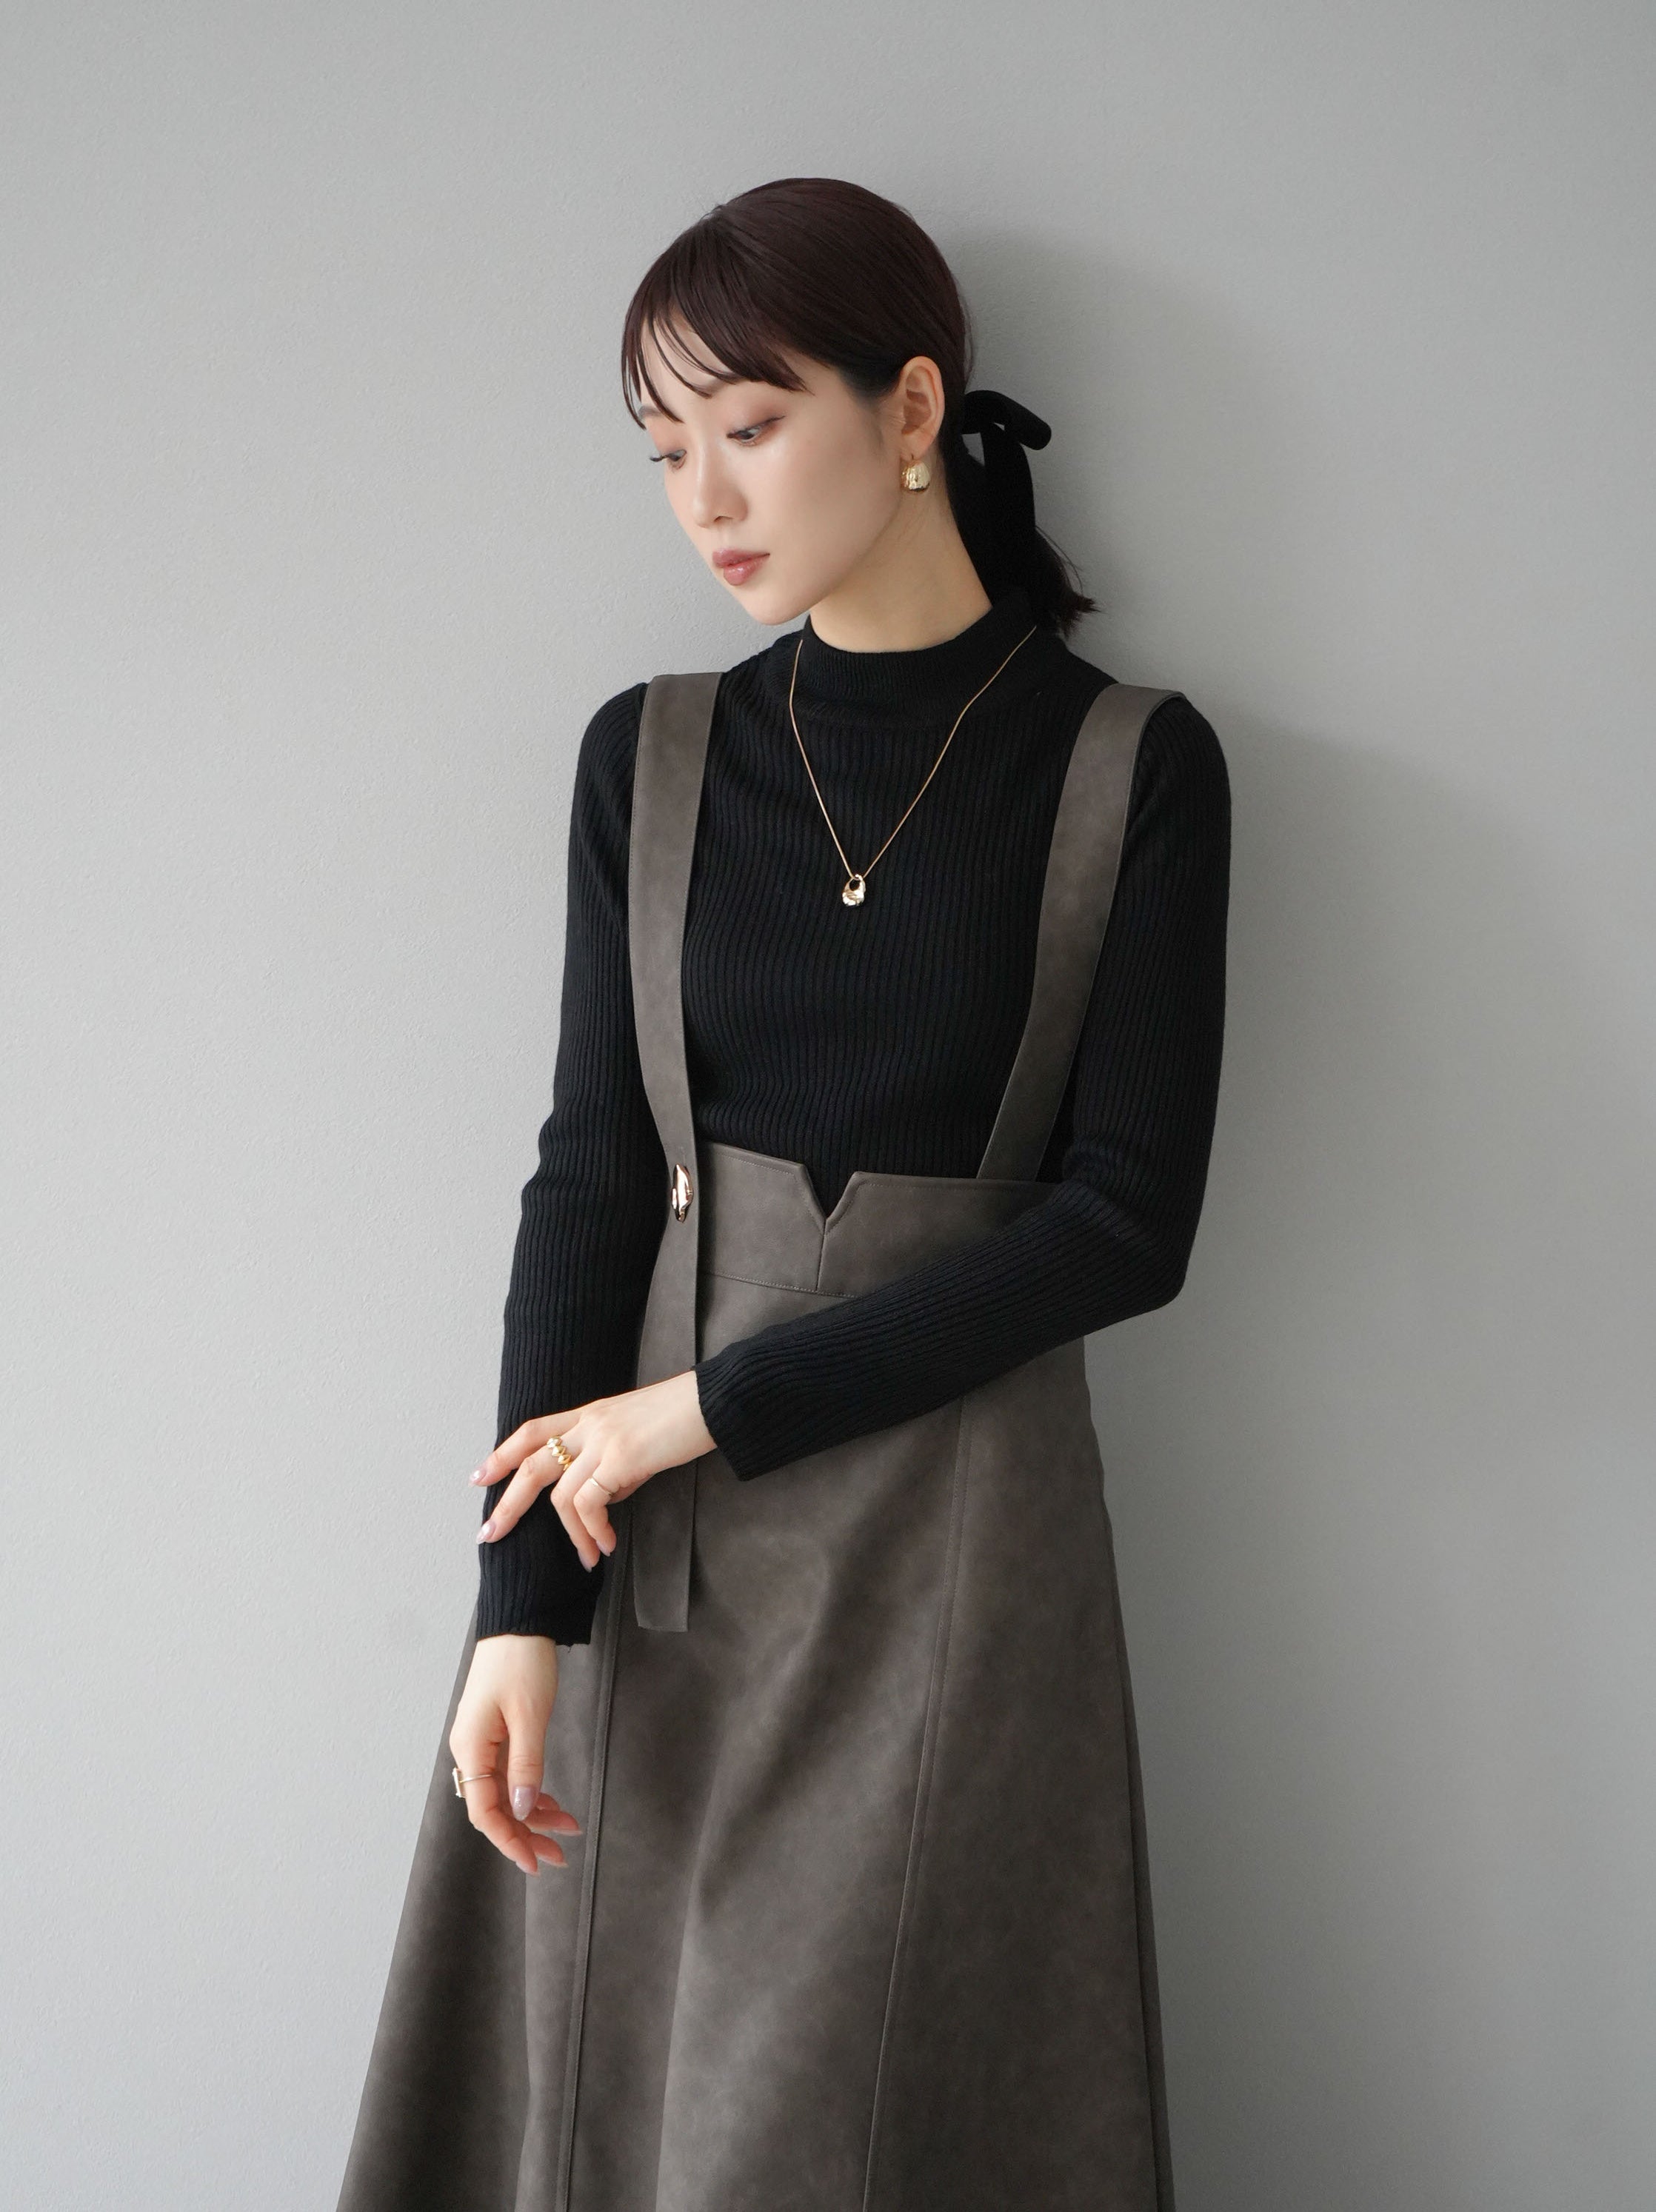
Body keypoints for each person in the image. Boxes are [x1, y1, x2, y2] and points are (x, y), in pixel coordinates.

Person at [336, 175, 1230, 2212]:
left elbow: (1126, 1221)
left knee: (826, 2131)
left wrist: (705, 1410)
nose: (705, 499)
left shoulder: (1127, 768)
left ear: (910, 410)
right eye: (665, 452)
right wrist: (514, 1612)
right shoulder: (648, 759)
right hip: (641, 1547)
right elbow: (591, 1176)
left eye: (748, 426)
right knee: (598, 2104)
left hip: (948, 1545)